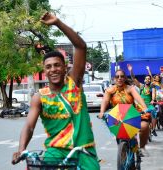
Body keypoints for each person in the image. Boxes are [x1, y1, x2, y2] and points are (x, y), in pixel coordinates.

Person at [12, 12, 100, 169]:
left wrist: (57, 23)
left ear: (65, 67)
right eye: (49, 67)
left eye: (57, 65)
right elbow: (29, 126)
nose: (53, 69)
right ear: (44, 71)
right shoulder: (39, 97)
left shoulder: (74, 84)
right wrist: (21, 149)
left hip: (84, 151)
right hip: (55, 152)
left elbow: (81, 46)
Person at [98, 69, 151, 156]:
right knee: (122, 151)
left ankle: (141, 147)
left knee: (144, 126)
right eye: (117, 76)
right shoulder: (110, 90)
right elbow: (105, 101)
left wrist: (145, 107)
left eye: (122, 76)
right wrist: (101, 112)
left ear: (125, 78)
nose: (119, 78)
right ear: (114, 79)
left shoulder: (130, 89)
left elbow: (138, 98)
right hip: (118, 117)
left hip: (131, 115)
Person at [127, 64, 158, 137]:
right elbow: (133, 78)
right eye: (146, 79)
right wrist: (131, 70)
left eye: (149, 79)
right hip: (140, 105)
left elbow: (153, 94)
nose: (147, 80)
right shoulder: (141, 86)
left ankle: (153, 129)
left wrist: (153, 100)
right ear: (144, 80)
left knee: (154, 113)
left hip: (149, 105)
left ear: (150, 80)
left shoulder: (152, 87)